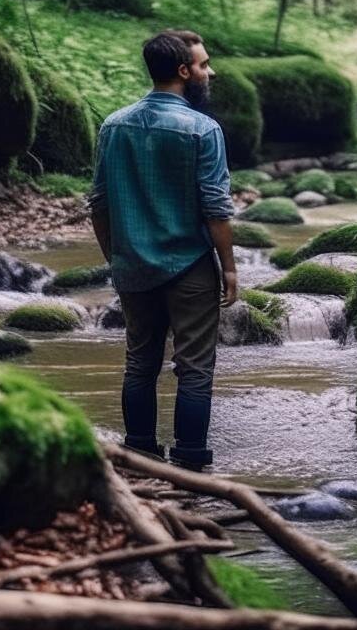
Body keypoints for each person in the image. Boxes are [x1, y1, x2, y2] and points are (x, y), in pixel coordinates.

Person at [87, 29, 237, 470]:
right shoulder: (203, 128)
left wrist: (114, 254)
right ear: (183, 71)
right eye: (204, 65)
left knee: (140, 363)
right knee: (194, 369)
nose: (210, 71)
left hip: (132, 264)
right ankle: (191, 463)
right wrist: (228, 268)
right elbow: (216, 208)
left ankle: (138, 455)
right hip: (190, 265)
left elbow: (98, 204)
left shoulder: (113, 124)